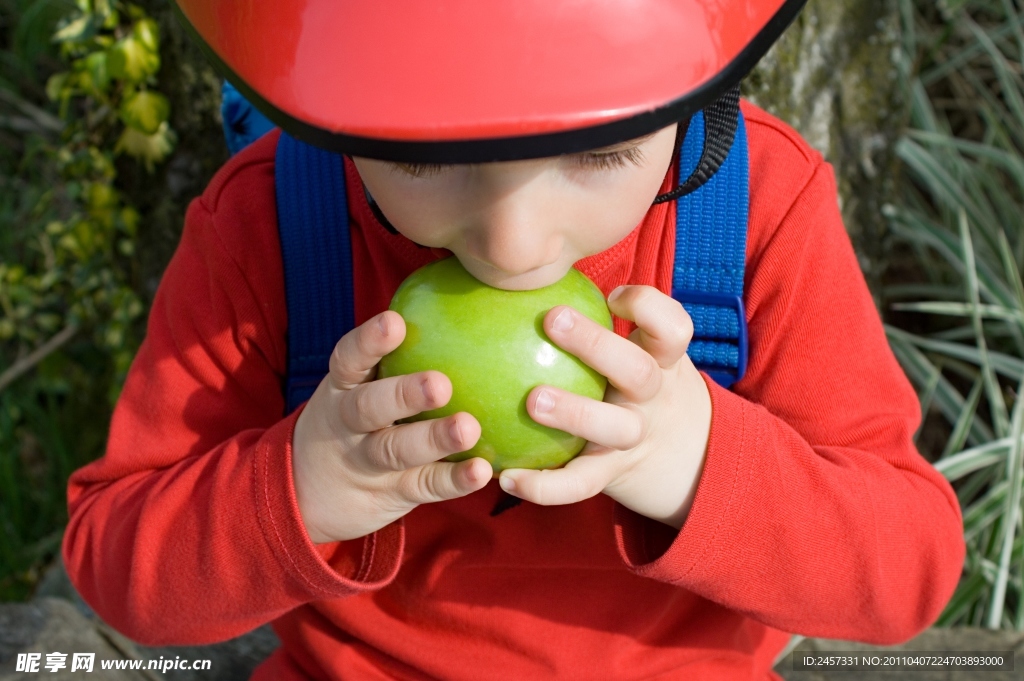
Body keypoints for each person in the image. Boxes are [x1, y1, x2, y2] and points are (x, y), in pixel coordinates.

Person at [61, 1, 966, 679]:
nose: (513, 246)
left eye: (600, 151)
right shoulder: (271, 223)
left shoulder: (757, 213)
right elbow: (117, 565)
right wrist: (302, 484)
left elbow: (907, 572)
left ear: (706, 96)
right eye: (424, 155)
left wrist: (699, 463)